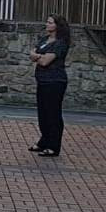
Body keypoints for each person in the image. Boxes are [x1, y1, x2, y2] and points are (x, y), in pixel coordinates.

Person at [30, 14, 70, 157]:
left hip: (55, 81)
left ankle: (54, 146)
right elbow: (31, 53)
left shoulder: (60, 43)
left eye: (50, 22)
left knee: (53, 113)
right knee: (43, 113)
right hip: (42, 81)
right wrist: (39, 56)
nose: (47, 24)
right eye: (47, 22)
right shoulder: (44, 40)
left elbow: (45, 61)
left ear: (57, 26)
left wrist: (39, 56)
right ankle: (44, 140)